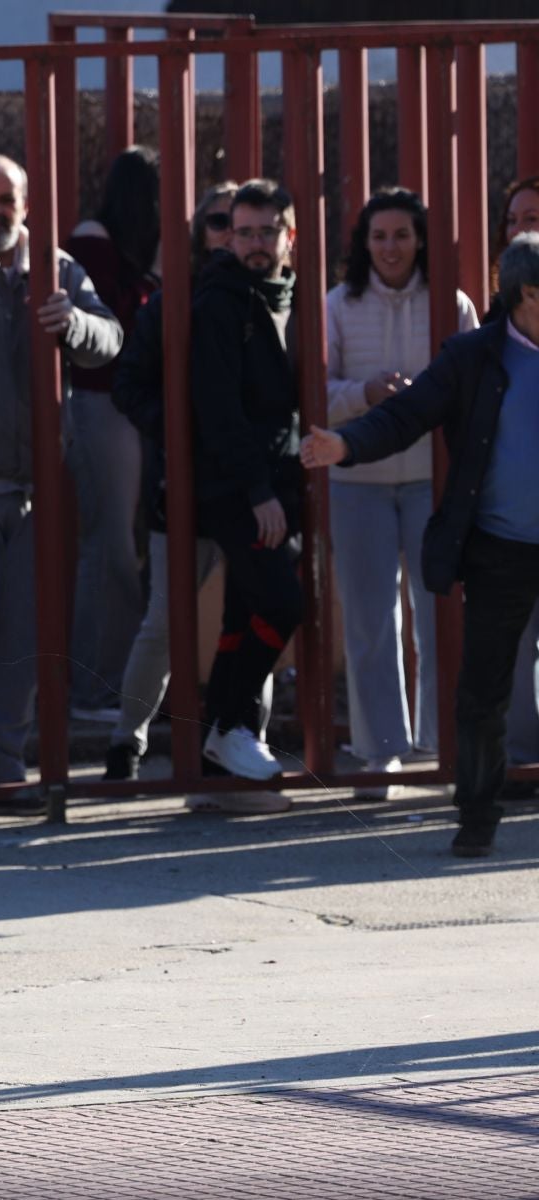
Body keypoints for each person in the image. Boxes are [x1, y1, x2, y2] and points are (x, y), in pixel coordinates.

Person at [302, 234, 539, 857]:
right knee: (483, 688)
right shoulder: (474, 357)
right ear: (528, 294)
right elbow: (407, 415)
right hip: (502, 546)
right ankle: (479, 815)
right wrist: (346, 445)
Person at [0, 155, 123, 819]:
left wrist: (75, 323)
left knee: (23, 636)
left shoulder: (60, 270)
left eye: (5, 200)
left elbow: (111, 339)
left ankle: (5, 772)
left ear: (26, 206)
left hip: (37, 488)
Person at [103, 183, 289, 814]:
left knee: (250, 608)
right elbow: (131, 385)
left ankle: (239, 745)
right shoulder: (176, 302)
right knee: (167, 621)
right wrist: (182, 436)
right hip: (180, 490)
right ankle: (126, 743)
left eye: (254, 228)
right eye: (224, 224)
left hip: (247, 490)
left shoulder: (270, 297)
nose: (235, 237)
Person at [325, 188, 479, 800]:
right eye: (380, 236)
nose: (391, 247)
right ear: (364, 243)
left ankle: (443, 746)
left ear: (421, 240)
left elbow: (476, 384)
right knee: (368, 620)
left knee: (441, 613)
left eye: (402, 235)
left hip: (431, 478)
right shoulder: (339, 304)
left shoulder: (453, 303)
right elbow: (316, 390)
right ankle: (378, 752)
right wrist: (364, 393)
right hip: (355, 480)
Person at [189, 180, 304, 783]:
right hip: (240, 488)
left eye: (267, 232)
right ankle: (230, 727)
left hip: (280, 482)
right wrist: (258, 491)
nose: (256, 244)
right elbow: (219, 410)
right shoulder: (219, 302)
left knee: (244, 612)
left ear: (289, 236)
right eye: (245, 232)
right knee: (284, 601)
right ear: (229, 235)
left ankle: (218, 749)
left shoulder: (289, 294)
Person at [64, 146, 159, 721]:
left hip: (135, 406)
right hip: (101, 404)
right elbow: (123, 321)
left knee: (141, 546)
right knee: (111, 545)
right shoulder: (94, 242)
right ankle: (95, 687)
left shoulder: (126, 245)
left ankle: (133, 680)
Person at [489, 177, 539, 790]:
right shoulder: (491, 317)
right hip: (511, 514)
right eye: (517, 218)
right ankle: (523, 761)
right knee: (516, 642)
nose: (525, 226)